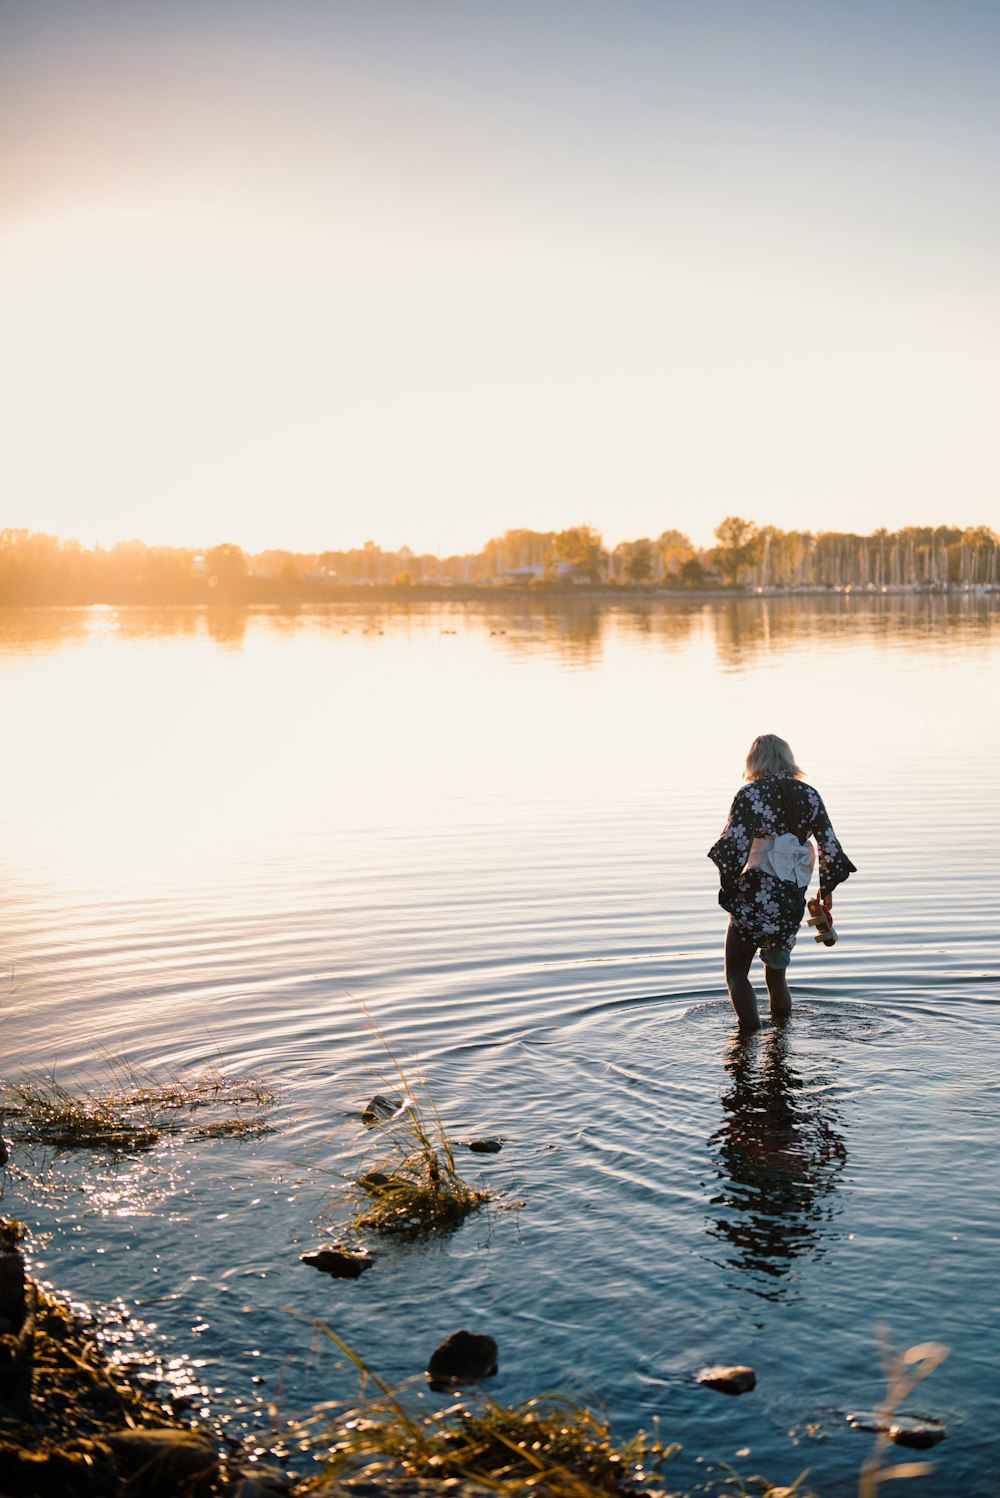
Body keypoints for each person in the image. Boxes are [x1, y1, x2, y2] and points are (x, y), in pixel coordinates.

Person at [708, 734, 855, 1030]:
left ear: (754, 761)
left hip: (755, 896)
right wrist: (825, 891)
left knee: (736, 974)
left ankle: (750, 1037)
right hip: (790, 897)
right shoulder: (810, 795)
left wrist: (728, 883)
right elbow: (830, 845)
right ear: (788, 759)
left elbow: (733, 844)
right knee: (777, 977)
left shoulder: (750, 794)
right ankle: (780, 1042)